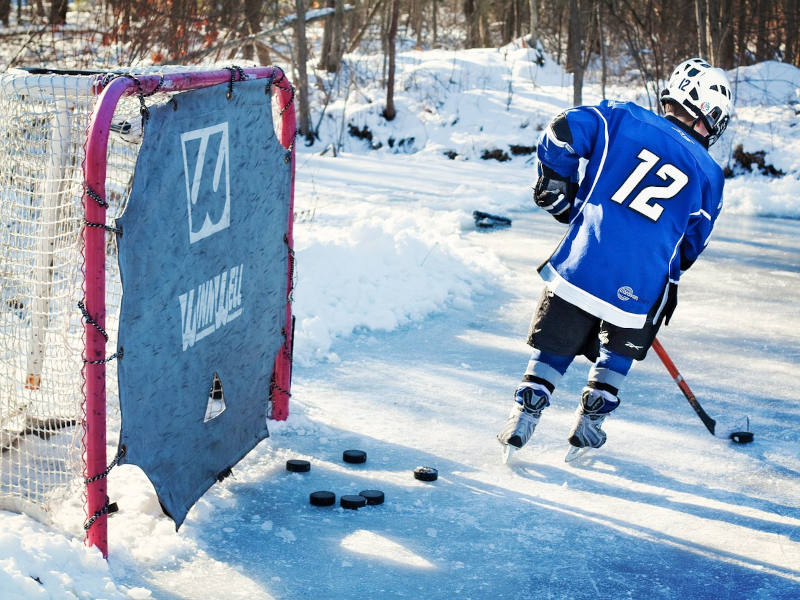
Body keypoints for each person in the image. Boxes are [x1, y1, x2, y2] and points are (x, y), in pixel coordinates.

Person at [497, 57, 734, 460]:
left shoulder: (621, 117)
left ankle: (524, 415)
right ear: (709, 112)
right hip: (638, 286)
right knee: (634, 325)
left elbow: (562, 130)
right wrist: (662, 268)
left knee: (557, 336)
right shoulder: (709, 174)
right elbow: (691, 246)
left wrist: (556, 183)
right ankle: (590, 422)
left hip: (580, 266)